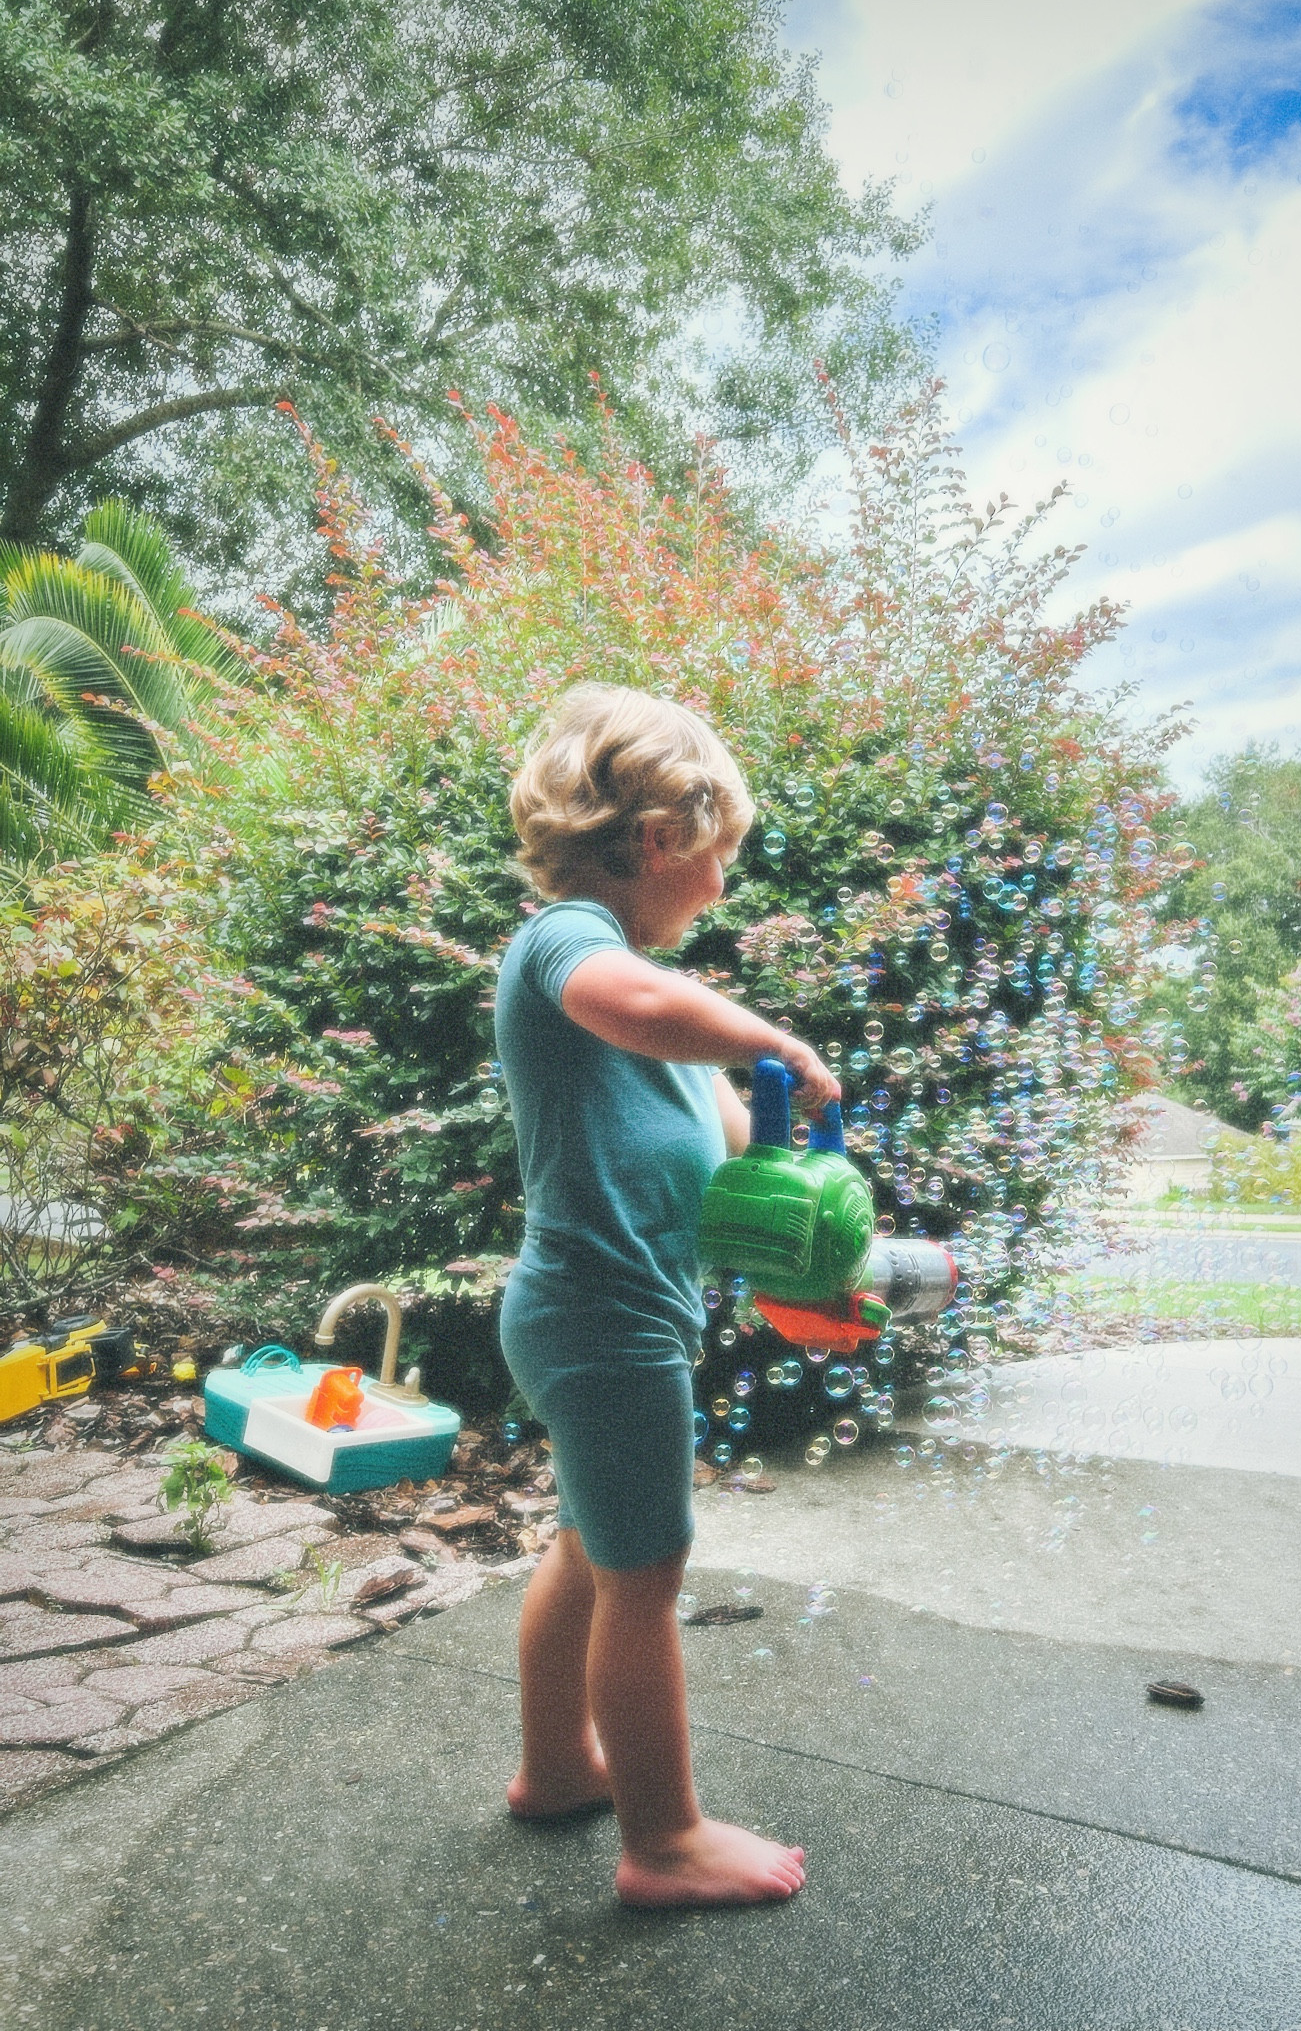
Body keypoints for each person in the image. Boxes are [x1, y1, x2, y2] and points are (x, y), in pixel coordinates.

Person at [495, 683, 840, 1908]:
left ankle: (557, 1767)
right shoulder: (570, 947)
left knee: (593, 1545)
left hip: (596, 1312)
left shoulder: (666, 1033)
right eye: (720, 859)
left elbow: (736, 1180)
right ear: (659, 838)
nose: (723, 887)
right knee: (646, 1570)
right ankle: (664, 1839)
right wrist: (776, 1042)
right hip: (601, 1318)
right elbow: (626, 1000)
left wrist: (813, 1261)